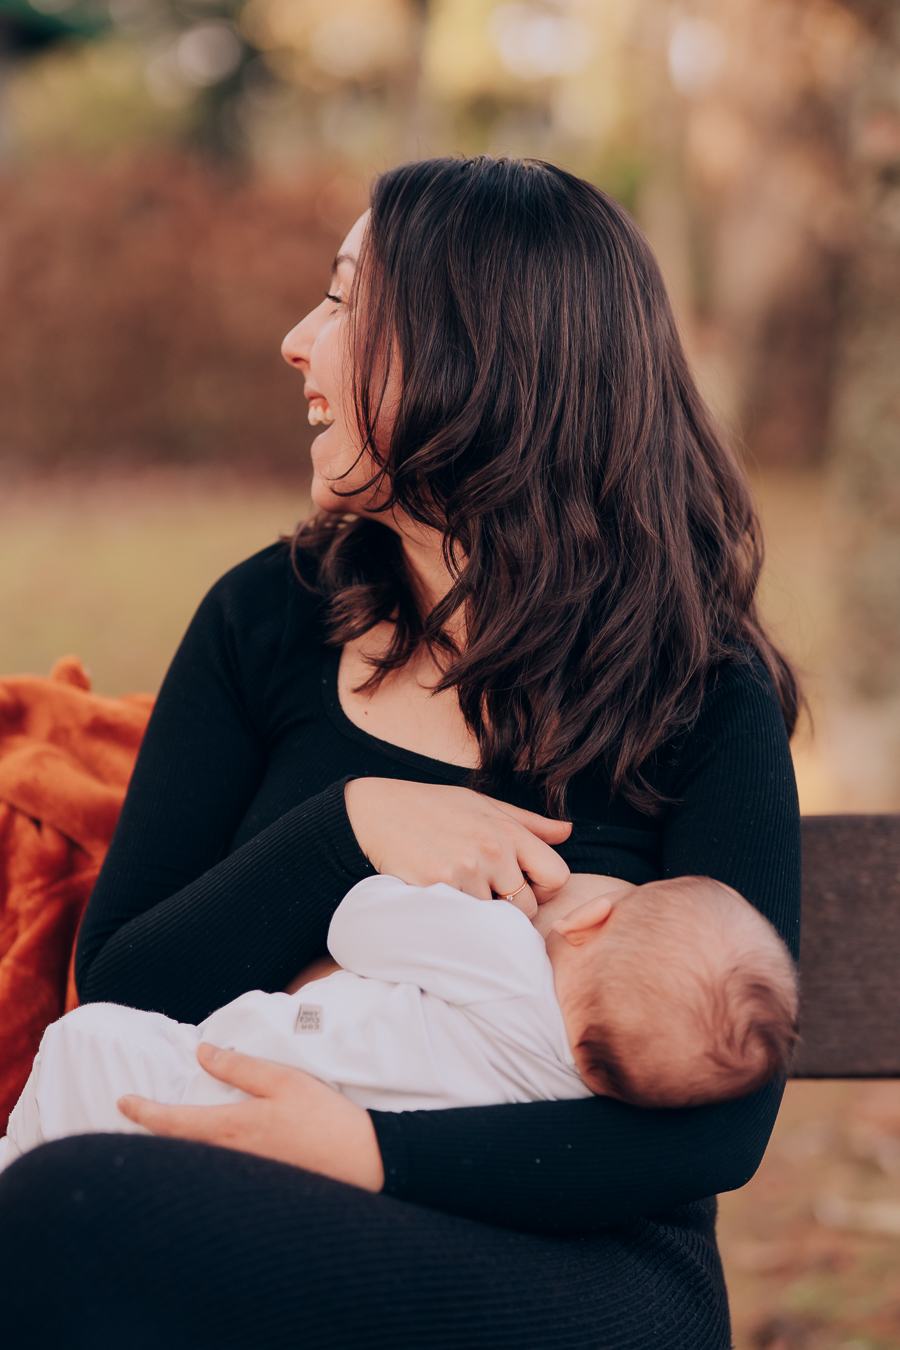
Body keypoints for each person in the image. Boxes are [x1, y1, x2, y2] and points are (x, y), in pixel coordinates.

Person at [0, 155, 801, 1350]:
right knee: (64, 1210)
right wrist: (349, 830)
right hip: (269, 1208)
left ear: (480, 357)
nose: (296, 341)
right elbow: (123, 984)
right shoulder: (266, 619)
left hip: (578, 1267)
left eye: (343, 302)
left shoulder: (699, 689)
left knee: (63, 1213)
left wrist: (372, 1151)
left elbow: (717, 1134)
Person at [1, 872, 798, 1167]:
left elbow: (360, 920)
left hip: (235, 1070)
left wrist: (476, 904)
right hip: (297, 1148)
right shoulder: (567, 1098)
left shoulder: (504, 956)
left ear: (592, 919)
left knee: (85, 1041)